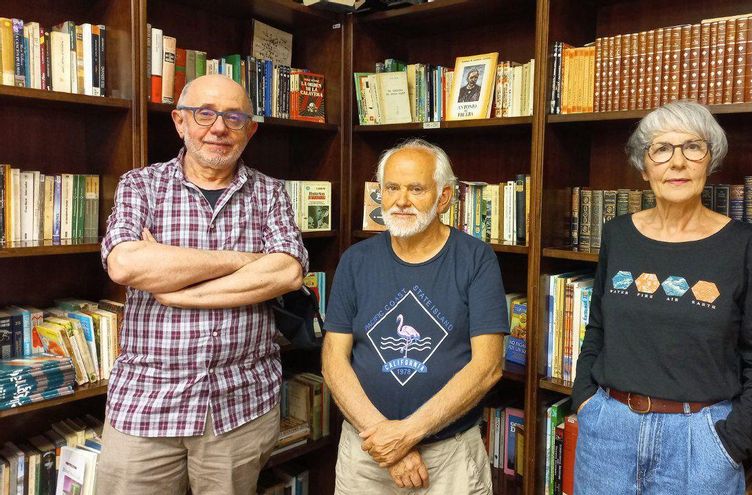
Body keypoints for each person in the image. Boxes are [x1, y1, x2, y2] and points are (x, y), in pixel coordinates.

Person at [97, 74, 308, 495]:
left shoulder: (270, 194)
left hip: (240, 405)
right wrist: (242, 262)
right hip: (147, 403)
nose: (218, 128)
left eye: (234, 117)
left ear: (250, 129)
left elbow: (286, 271)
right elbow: (124, 264)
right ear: (179, 122)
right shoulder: (140, 185)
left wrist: (173, 288)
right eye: (204, 114)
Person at [570, 101, 752, 494]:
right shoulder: (617, 235)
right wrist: (586, 403)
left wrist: (729, 442)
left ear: (710, 161)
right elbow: (599, 329)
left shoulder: (748, 247)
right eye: (661, 149)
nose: (677, 163)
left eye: (693, 147)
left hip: (701, 443)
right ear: (645, 167)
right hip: (608, 436)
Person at [322, 138, 508, 494]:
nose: (401, 200)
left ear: (444, 197)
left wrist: (406, 434)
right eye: (391, 187)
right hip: (366, 453)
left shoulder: (475, 259)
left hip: (448, 458)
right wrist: (388, 443)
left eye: (416, 189)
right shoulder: (355, 261)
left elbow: (488, 367)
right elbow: (334, 360)